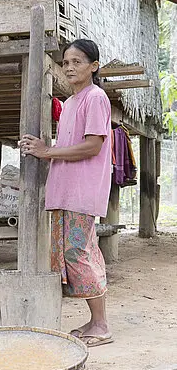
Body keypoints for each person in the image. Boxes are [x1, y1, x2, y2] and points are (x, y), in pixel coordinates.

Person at [20, 39, 113, 347]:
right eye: (66, 62)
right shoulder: (72, 102)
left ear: (93, 66)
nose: (70, 67)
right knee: (72, 253)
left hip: (82, 190)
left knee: (78, 253)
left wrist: (47, 151)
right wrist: (44, 149)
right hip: (65, 190)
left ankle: (101, 325)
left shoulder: (95, 97)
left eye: (78, 61)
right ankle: (94, 321)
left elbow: (93, 145)